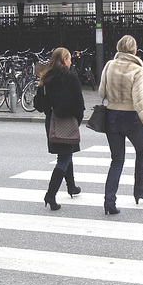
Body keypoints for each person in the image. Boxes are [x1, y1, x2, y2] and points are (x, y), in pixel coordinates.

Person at [99, 35, 143, 215]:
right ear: (134, 50)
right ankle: (139, 191)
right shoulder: (137, 69)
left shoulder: (109, 65)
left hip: (112, 117)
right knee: (142, 151)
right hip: (131, 118)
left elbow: (101, 91)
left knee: (117, 161)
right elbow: (140, 98)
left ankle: (109, 202)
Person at [34, 47, 85, 211]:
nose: (71, 62)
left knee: (65, 154)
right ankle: (50, 194)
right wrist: (77, 120)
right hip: (67, 121)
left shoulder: (46, 77)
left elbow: (39, 105)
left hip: (52, 122)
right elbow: (79, 104)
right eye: (69, 59)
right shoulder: (70, 77)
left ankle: (71, 186)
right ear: (64, 60)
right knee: (64, 158)